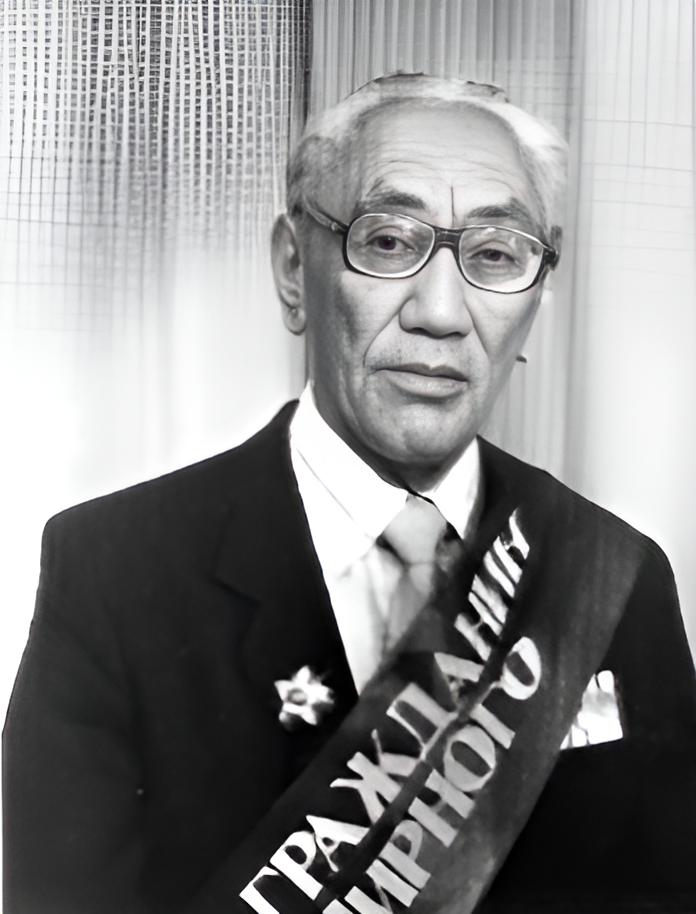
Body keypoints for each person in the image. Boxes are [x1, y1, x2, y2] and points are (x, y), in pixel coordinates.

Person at [4, 74, 696, 914]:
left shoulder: (613, 577)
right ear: (295, 270)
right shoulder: (112, 570)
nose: (441, 313)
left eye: (494, 255)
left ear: (538, 290)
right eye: (390, 241)